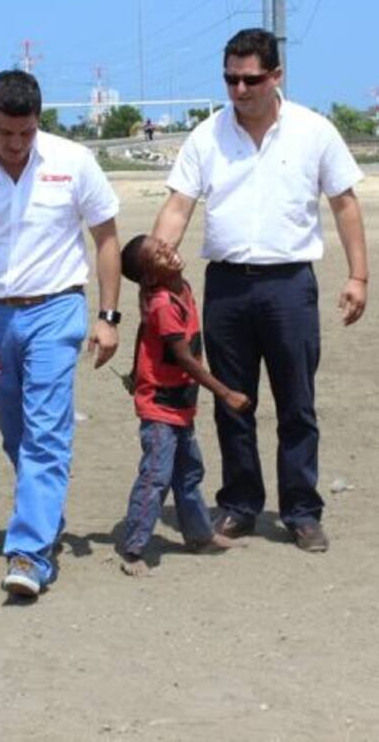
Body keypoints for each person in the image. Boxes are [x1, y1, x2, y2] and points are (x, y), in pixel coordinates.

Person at [151, 27, 369, 553]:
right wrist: (157, 266)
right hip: (226, 286)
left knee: (297, 403)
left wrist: (358, 275)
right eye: (231, 79)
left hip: (290, 285)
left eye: (250, 79)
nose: (240, 89)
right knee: (231, 402)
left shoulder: (314, 131)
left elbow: (344, 203)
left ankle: (301, 511)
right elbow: (180, 206)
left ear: (276, 76)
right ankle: (240, 504)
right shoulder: (207, 135)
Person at [0, 70, 122, 599]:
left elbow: (106, 238)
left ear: (40, 122)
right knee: (16, 433)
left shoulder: (73, 162)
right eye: (5, 134)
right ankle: (46, 513)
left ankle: (29, 552)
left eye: (26, 133)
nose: (16, 145)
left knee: (46, 432)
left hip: (57, 310)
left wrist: (107, 318)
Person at [117, 234, 250, 576]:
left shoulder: (182, 288)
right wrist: (225, 393)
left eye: (162, 244)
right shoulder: (163, 303)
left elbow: (143, 331)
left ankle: (200, 535)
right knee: (156, 476)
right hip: (161, 406)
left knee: (189, 472)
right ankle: (133, 548)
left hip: (180, 403)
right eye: (156, 255)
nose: (167, 250)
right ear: (149, 277)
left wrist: (134, 368)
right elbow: (184, 359)